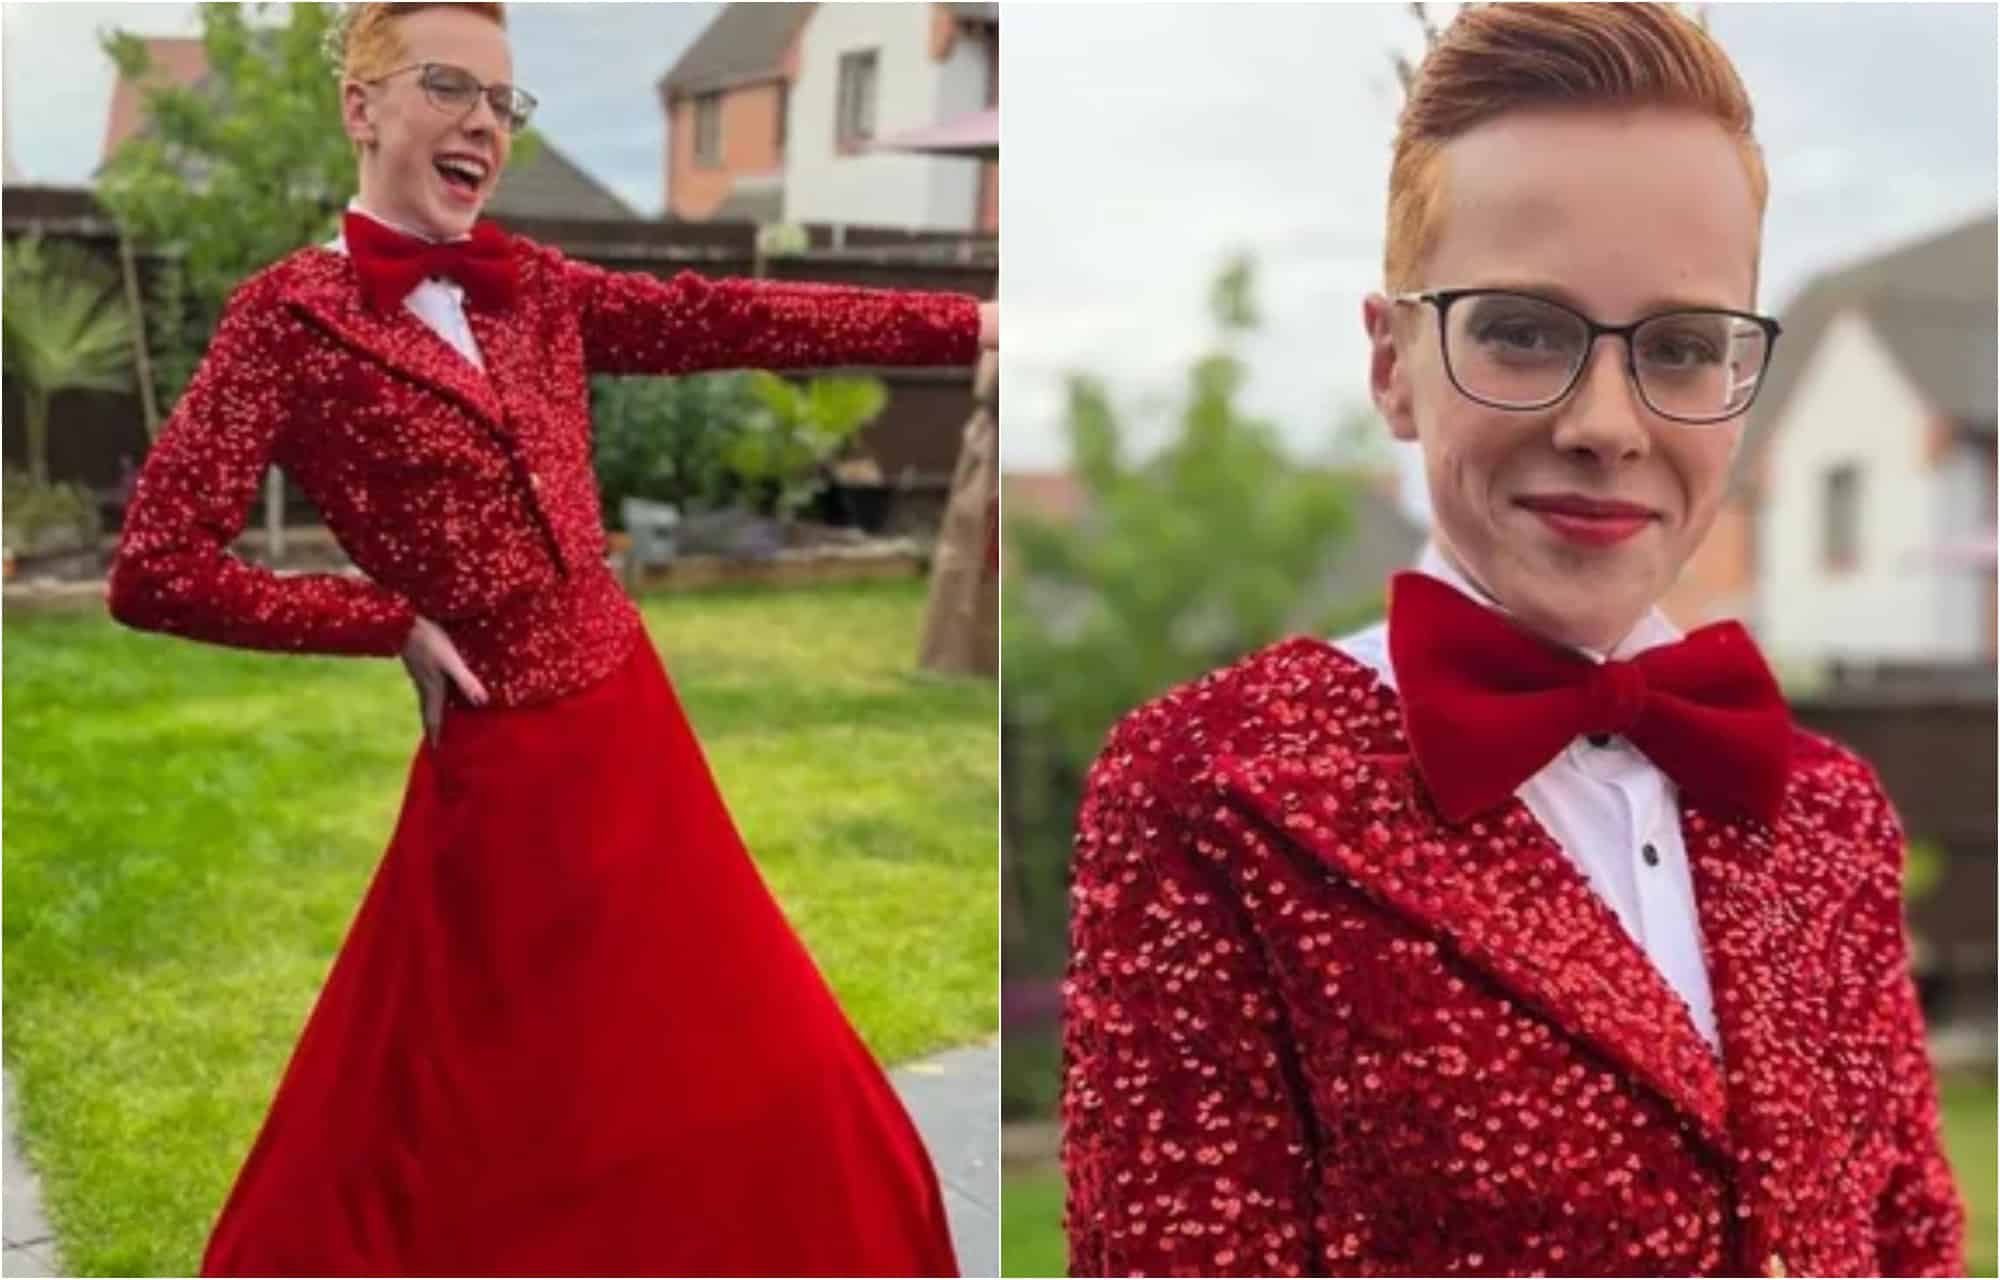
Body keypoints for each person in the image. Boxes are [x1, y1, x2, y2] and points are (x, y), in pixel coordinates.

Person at [1060, 5, 1965, 1277]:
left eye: (1682, 346)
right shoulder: (1211, 785)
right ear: (1391, 365)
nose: (1605, 420)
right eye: (1522, 330)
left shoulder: (1828, 813)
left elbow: (1907, 1244)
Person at [106, 3, 994, 1274]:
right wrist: (384, 621)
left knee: (754, 1049)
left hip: (633, 723)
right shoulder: (284, 322)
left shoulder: (532, 290)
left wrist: (967, 327)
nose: (480, 122)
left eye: (502, 103)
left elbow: (726, 320)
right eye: (448, 86)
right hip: (506, 763)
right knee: (502, 1106)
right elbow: (154, 569)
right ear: (361, 108)